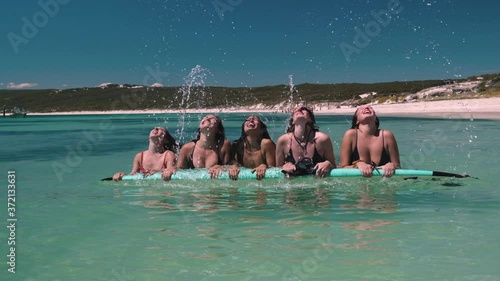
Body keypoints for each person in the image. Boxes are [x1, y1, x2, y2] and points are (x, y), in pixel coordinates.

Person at [339, 105, 401, 177]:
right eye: (361, 108)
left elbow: (398, 167)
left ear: (375, 118)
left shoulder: (387, 135)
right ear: (357, 120)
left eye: (370, 107)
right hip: (358, 186)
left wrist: (392, 165)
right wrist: (357, 165)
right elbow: (343, 168)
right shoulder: (351, 135)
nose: (367, 108)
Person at [276, 106, 336, 177]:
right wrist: (284, 166)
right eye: (296, 110)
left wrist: (327, 164)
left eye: (303, 109)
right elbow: (277, 169)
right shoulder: (283, 141)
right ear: (292, 121)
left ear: (311, 119)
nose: (299, 109)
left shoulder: (322, 139)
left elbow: (334, 166)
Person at [176, 114, 231, 178]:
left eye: (212, 119)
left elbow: (231, 166)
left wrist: (221, 167)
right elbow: (179, 173)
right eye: (205, 117)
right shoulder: (187, 148)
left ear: (217, 129)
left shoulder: (223, 146)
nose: (207, 119)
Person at [113, 126, 177, 181]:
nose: (156, 129)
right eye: (154, 128)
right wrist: (122, 175)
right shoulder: (139, 156)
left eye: (161, 130)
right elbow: (133, 174)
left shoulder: (168, 155)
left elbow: (171, 170)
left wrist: (159, 172)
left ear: (165, 140)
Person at [228, 115, 276, 180]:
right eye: (247, 120)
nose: (251, 120)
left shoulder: (266, 144)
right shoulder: (237, 145)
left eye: (255, 119)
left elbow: (274, 168)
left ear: (262, 129)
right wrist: (233, 166)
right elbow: (230, 164)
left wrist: (264, 166)